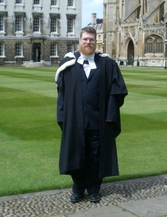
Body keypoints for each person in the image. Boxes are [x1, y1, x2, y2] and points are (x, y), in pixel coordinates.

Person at [55, 26, 128, 203]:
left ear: (96, 42)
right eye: (85, 39)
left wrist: (111, 115)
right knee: (77, 154)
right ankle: (78, 189)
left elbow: (116, 91)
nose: (88, 42)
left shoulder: (107, 64)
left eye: (92, 39)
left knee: (96, 156)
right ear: (79, 41)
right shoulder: (68, 65)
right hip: (75, 121)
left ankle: (94, 189)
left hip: (99, 121)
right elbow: (62, 95)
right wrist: (63, 117)